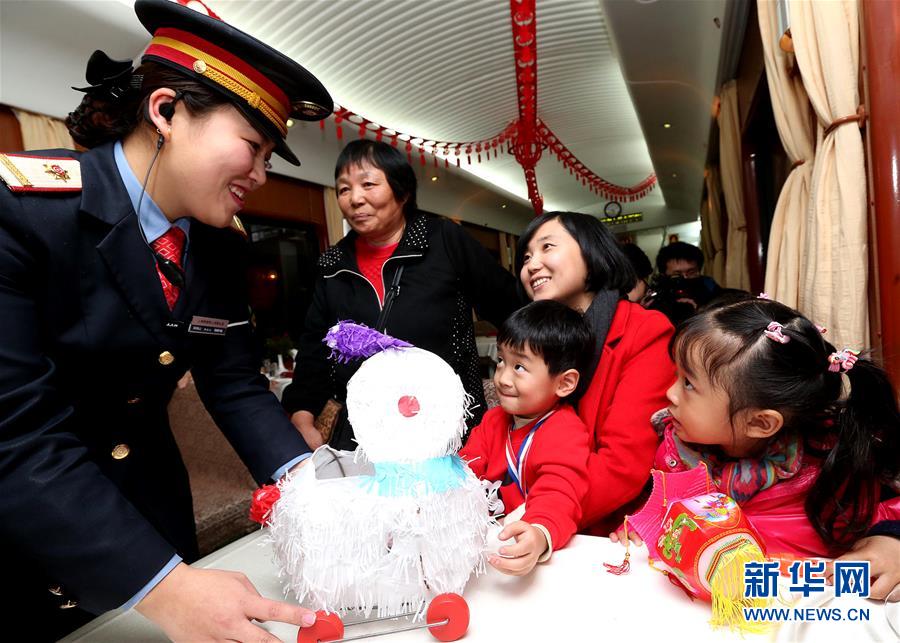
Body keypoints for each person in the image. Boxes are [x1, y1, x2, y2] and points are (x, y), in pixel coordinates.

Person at [0, 1, 335, 640]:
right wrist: (165, 585)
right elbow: (15, 432)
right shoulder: (27, 215)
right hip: (40, 534)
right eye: (254, 148)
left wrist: (310, 487)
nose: (261, 177)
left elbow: (233, 379)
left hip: (158, 518)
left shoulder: (220, 245)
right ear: (166, 112)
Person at [616, 298, 900, 598]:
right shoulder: (675, 453)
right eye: (677, 375)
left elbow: (889, 512)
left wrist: (891, 541)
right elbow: (668, 523)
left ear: (760, 423)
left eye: (689, 384)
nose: (669, 393)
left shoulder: (835, 464)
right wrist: (645, 529)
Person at [281, 139, 524, 451]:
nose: (355, 198)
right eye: (343, 189)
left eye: (368, 184)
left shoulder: (444, 241)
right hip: (364, 435)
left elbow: (512, 311)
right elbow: (316, 346)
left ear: (403, 191)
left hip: (447, 428)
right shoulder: (333, 265)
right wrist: (302, 412)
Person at [516, 211, 675, 535]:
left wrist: (536, 518)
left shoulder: (645, 331)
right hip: (532, 511)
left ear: (592, 251)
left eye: (548, 247)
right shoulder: (533, 338)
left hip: (602, 531)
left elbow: (621, 467)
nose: (532, 265)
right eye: (526, 256)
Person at [459, 300, 593, 576]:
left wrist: (539, 534)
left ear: (564, 383)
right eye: (501, 361)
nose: (503, 378)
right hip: (483, 545)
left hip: (527, 555)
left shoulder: (565, 431)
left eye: (519, 367)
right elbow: (465, 471)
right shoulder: (493, 420)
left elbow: (559, 493)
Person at [646, 241, 721, 325]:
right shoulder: (658, 296)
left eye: (691, 272)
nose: (685, 277)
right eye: (677, 275)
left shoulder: (709, 287)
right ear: (664, 275)